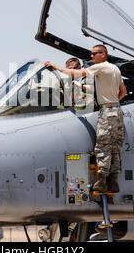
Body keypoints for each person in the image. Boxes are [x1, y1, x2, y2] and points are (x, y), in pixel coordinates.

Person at [45, 44, 127, 193]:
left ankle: (102, 182)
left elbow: (77, 73)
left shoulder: (100, 67)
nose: (92, 56)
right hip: (117, 110)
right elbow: (124, 91)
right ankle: (113, 182)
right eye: (92, 53)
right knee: (116, 146)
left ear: (103, 54)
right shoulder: (115, 69)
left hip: (107, 111)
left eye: (95, 53)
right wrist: (113, 101)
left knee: (103, 146)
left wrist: (55, 67)